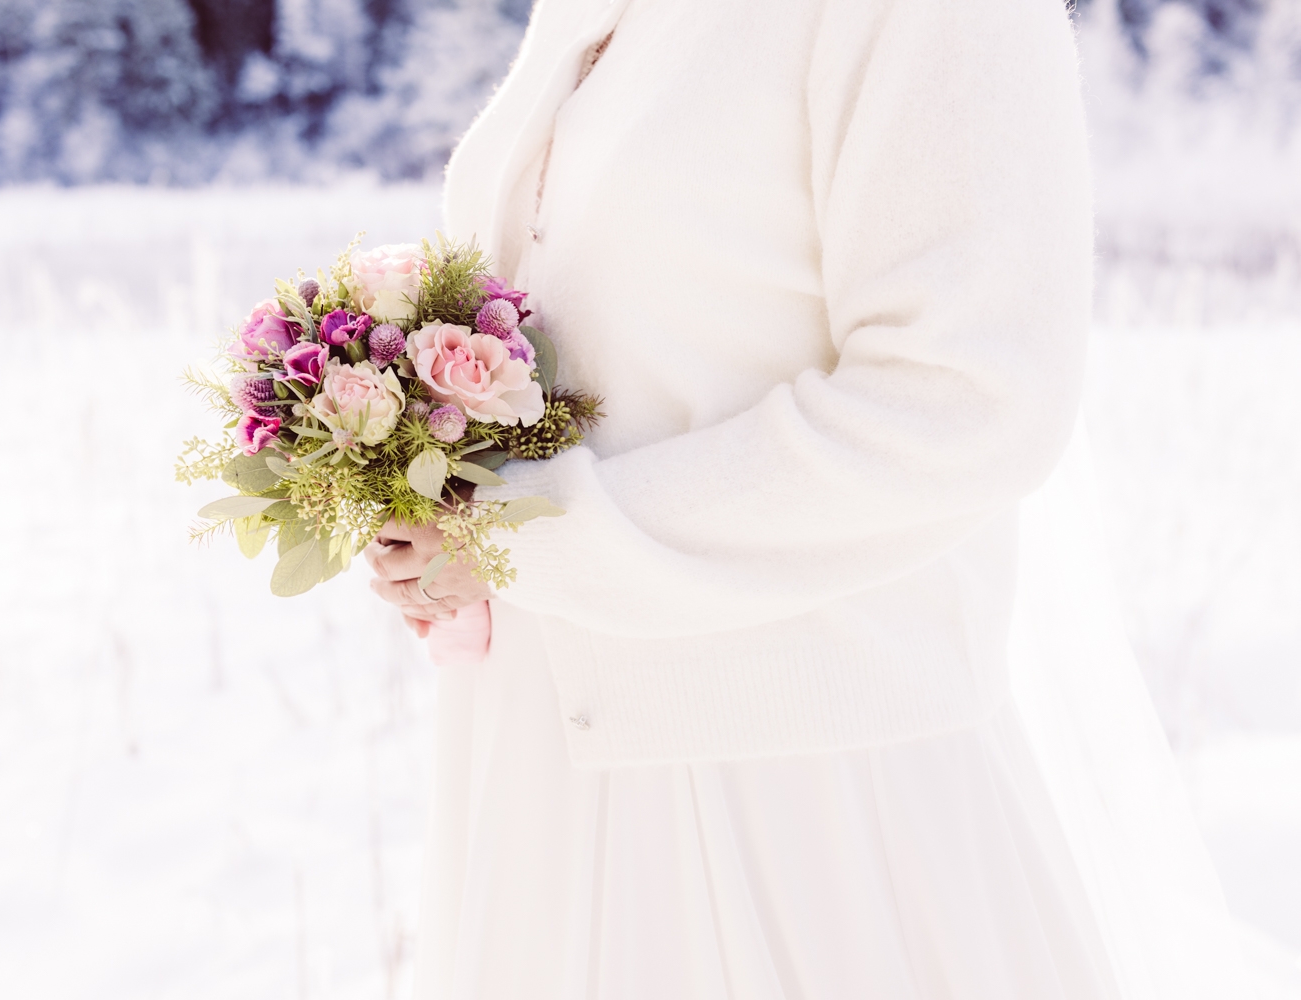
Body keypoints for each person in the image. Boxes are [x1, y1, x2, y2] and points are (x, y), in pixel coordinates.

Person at [364, 0, 1301, 996]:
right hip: (549, 768)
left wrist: (532, 541)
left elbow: (966, 401)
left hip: (802, 794)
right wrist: (421, 473)